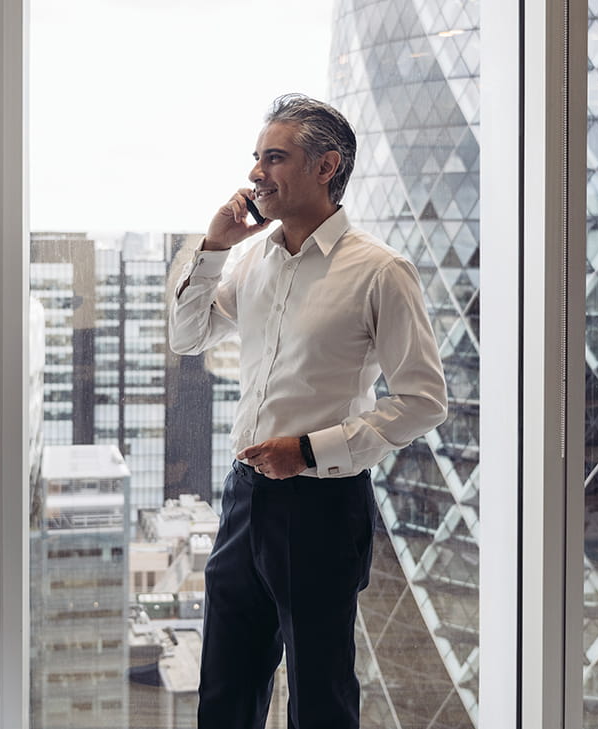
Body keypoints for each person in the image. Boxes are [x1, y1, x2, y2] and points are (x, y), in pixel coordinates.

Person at [169, 94, 448, 729]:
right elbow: (189, 336)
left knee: (319, 699)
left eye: (275, 158)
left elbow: (424, 399)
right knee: (225, 690)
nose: (257, 173)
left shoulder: (381, 271)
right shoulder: (254, 262)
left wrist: (310, 449)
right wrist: (214, 246)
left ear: (327, 165)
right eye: (256, 158)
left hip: (322, 506)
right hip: (243, 499)